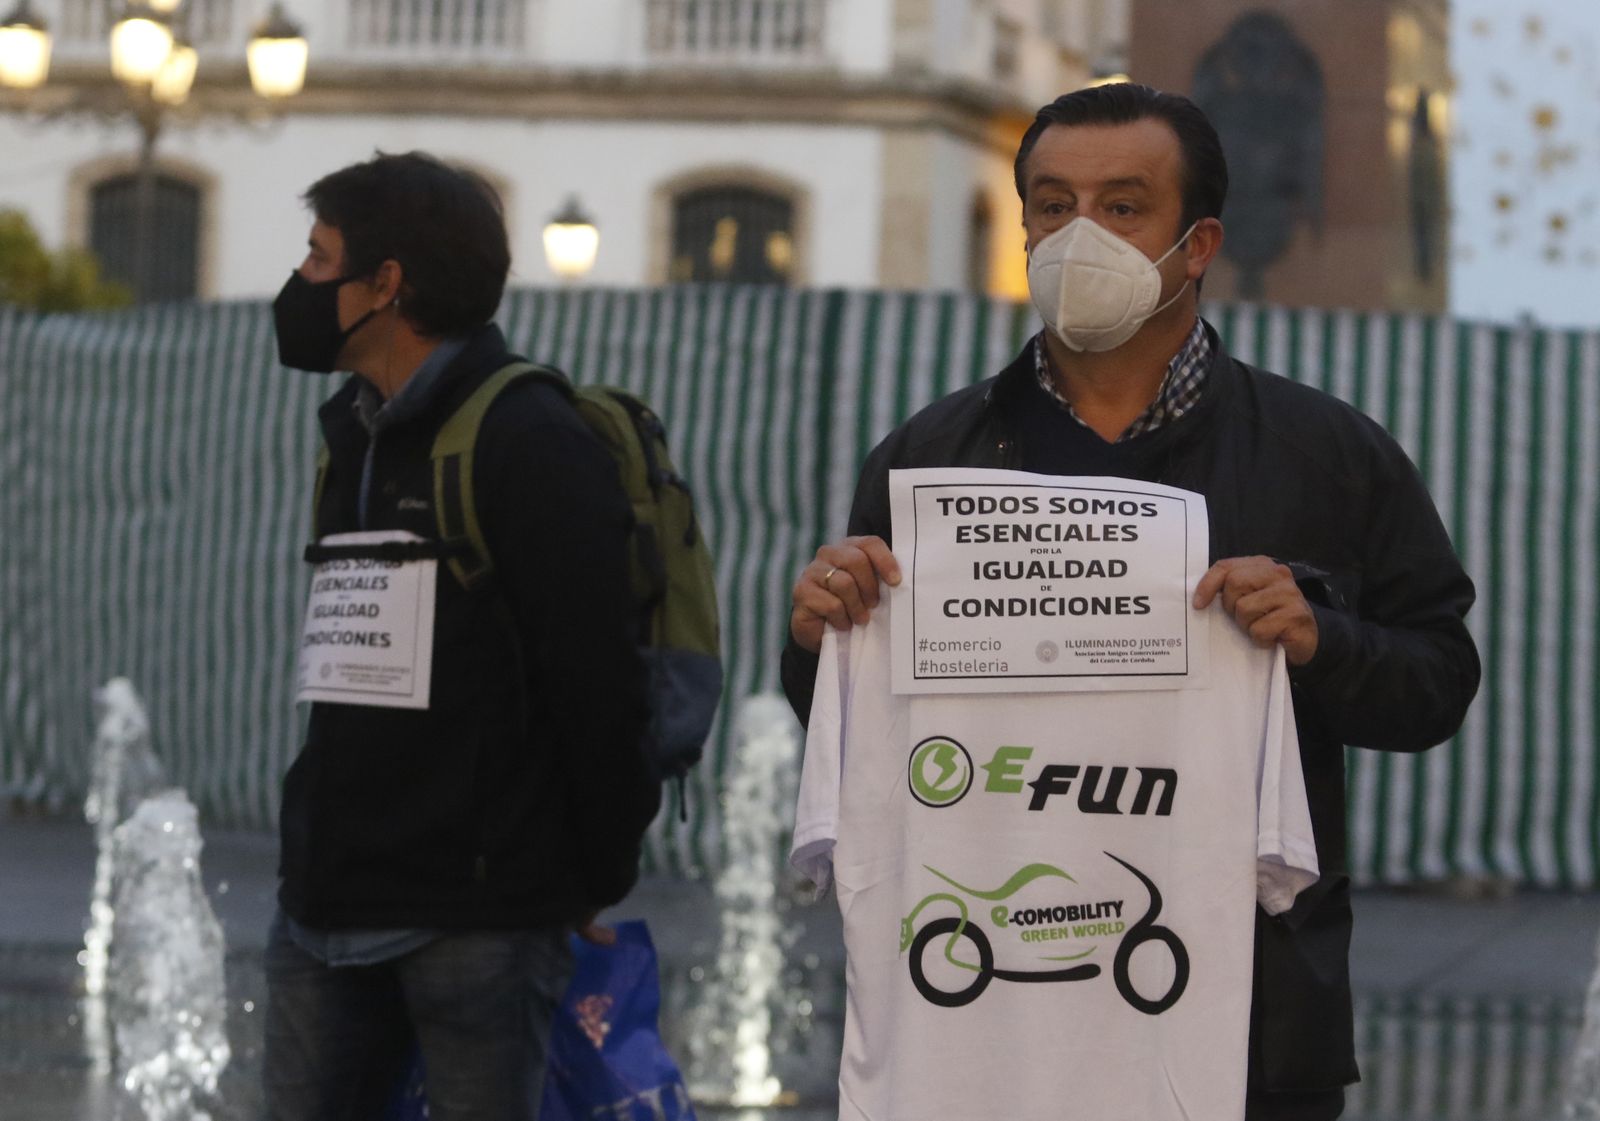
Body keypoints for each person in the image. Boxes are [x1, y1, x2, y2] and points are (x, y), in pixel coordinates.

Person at [781, 83, 1480, 1121]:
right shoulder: (931, 456)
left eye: (1121, 207)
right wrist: (815, 636)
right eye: (1052, 206)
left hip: (1246, 1021)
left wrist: (1319, 640)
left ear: (1196, 244)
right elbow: (858, 720)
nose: (1078, 236)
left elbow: (1435, 685)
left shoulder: (1326, 453)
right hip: (975, 1031)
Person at [262, 151, 660, 1121]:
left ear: (385, 283)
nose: (300, 283)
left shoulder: (528, 433)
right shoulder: (356, 426)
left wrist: (590, 877)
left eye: (319, 258)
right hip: (327, 900)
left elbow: (600, 680)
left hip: (479, 918)